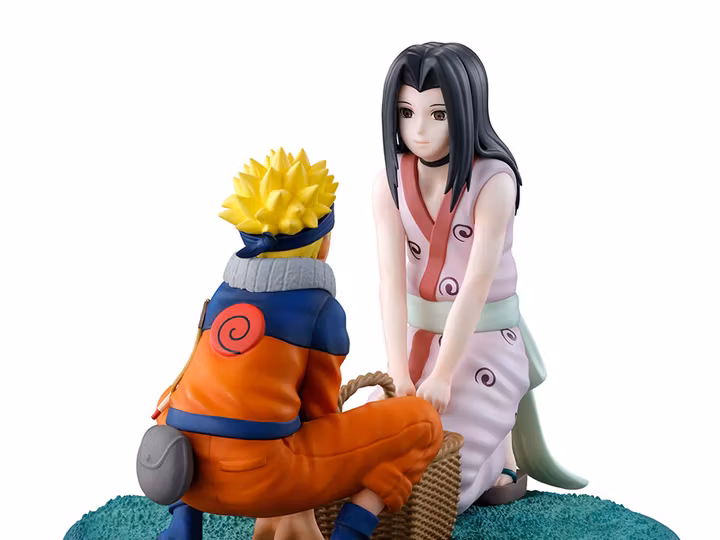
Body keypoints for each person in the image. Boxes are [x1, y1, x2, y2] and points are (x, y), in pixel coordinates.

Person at [138, 148, 444, 540]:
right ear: (323, 243)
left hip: (186, 474)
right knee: (423, 422)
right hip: (265, 479)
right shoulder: (321, 308)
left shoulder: (221, 296)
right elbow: (319, 414)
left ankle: (182, 528)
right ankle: (352, 530)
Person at [373, 42, 587, 513]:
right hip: (415, 340)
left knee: (439, 479)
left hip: (484, 341)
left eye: (438, 114)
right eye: (406, 112)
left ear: (466, 111)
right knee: (370, 450)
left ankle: (498, 460)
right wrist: (397, 371)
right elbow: (390, 280)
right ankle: (498, 449)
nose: (419, 130)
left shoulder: (493, 181)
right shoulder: (390, 181)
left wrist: (443, 374)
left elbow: (476, 282)